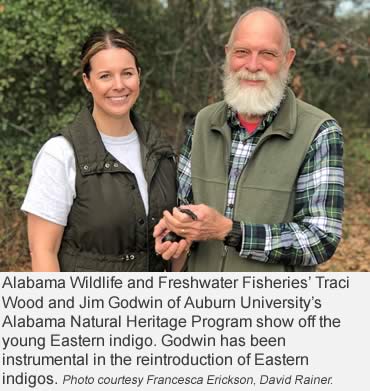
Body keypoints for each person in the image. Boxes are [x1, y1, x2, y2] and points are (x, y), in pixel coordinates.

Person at [154, 7, 344, 272]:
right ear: (227, 55)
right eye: (242, 52)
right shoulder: (201, 123)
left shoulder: (320, 131)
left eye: (267, 54)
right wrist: (177, 233)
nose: (252, 65)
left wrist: (230, 231)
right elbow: (185, 208)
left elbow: (321, 238)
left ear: (288, 60)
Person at [21, 29, 182, 272]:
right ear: (87, 81)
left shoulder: (161, 152)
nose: (119, 85)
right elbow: (43, 252)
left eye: (127, 73)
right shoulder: (60, 154)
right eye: (105, 76)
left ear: (138, 76)